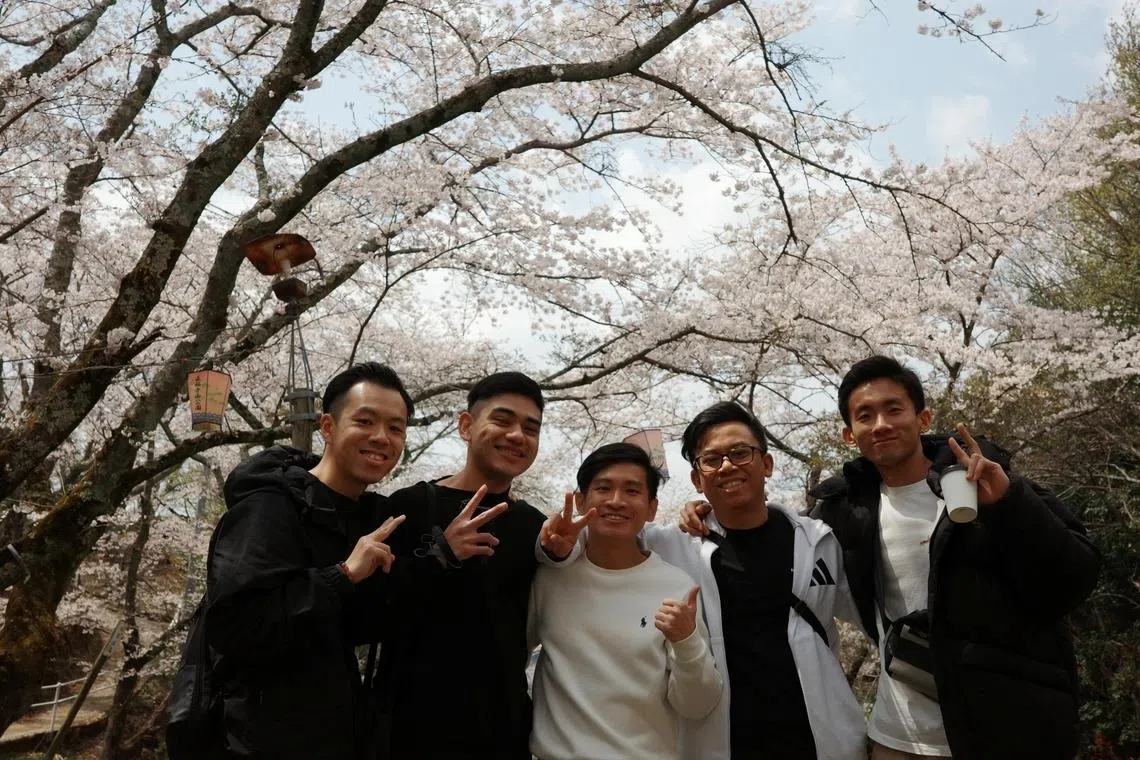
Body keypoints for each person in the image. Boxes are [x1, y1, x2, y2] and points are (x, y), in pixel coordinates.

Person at [809, 355, 1100, 760]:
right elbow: (783, 541)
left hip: (1006, 730)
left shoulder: (982, 482)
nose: (881, 424)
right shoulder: (846, 508)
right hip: (898, 738)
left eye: (894, 409)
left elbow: (1073, 579)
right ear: (848, 433)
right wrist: (704, 518)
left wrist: (1010, 502)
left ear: (923, 418)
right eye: (865, 415)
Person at [203, 362, 413, 759]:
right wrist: (343, 575)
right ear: (328, 428)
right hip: (259, 742)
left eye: (396, 428)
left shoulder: (363, 517)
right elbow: (236, 625)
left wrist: (444, 552)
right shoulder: (268, 508)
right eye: (365, 421)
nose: (381, 438)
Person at [376, 371, 588, 760]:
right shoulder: (408, 507)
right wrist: (440, 554)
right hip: (410, 729)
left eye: (531, 428)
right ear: (466, 425)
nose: (517, 436)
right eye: (503, 420)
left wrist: (558, 555)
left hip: (501, 730)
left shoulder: (535, 526)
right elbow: (372, 610)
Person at [653, 401, 867, 760]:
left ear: (766, 464)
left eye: (740, 453)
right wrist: (552, 547)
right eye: (711, 459)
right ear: (696, 478)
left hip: (819, 739)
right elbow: (603, 533)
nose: (727, 466)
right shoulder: (673, 548)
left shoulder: (819, 542)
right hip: (723, 741)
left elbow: (874, 615)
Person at [528, 442, 722, 760]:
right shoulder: (551, 576)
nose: (616, 501)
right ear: (580, 501)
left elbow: (698, 705)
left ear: (651, 508)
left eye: (632, 491)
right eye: (603, 488)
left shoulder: (677, 587)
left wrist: (686, 642)